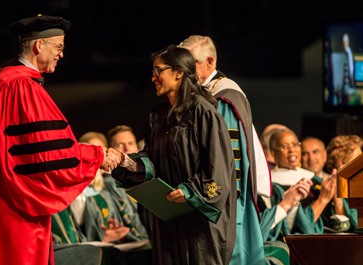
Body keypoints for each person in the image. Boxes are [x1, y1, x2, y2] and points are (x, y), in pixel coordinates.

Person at [0, 15, 118, 265]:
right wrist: (97, 155)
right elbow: (49, 154)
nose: (62, 55)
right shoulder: (23, 88)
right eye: (59, 47)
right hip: (17, 207)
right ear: (39, 46)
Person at [112, 45, 236, 265]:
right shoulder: (158, 116)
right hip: (168, 220)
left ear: (179, 72)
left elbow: (219, 171)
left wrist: (189, 191)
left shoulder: (204, 113)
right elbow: (151, 161)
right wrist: (126, 162)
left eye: (158, 71)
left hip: (199, 224)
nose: (153, 78)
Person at [178, 35, 271, 265]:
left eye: (191, 65)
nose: (185, 72)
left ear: (210, 62)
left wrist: (218, 204)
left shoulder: (225, 97)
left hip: (228, 204)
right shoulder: (201, 94)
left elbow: (231, 164)